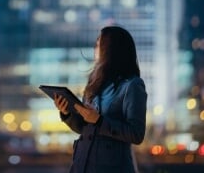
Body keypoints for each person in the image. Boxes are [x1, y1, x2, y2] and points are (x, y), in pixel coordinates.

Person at [53, 25, 147, 173]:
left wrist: (100, 121)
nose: (95, 48)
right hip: (82, 166)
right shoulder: (94, 83)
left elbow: (136, 134)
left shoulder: (132, 86)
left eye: (99, 44)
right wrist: (67, 113)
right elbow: (85, 129)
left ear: (112, 49)